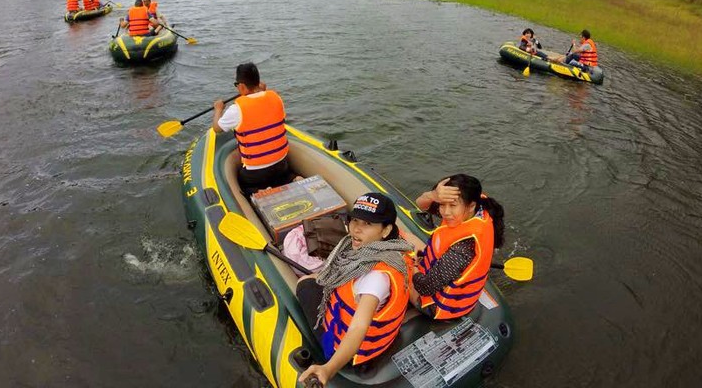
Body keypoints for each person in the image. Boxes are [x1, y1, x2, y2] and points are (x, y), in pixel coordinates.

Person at [297, 193, 413, 385]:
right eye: (355, 221)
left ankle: (327, 352)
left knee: (306, 284)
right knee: (318, 279)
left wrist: (329, 368)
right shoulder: (395, 246)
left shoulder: (375, 279)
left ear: (386, 230)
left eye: (368, 224)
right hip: (379, 340)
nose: (356, 230)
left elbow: (359, 327)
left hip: (352, 352)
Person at [410, 174, 505, 320]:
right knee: (405, 240)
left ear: (471, 205)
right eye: (441, 204)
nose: (445, 212)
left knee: (399, 263)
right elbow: (421, 204)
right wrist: (432, 195)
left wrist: (413, 266)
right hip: (449, 277)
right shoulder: (474, 209)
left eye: (452, 206)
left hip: (440, 306)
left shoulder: (464, 248)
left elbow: (425, 287)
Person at [212, 63, 294, 197]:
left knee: (243, 184)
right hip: (281, 165)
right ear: (258, 82)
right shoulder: (276, 98)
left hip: (256, 174)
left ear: (242, 86)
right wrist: (262, 90)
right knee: (282, 176)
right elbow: (261, 107)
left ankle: (259, 191)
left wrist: (218, 109)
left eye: (237, 85)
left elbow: (217, 128)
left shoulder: (236, 110)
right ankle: (292, 179)